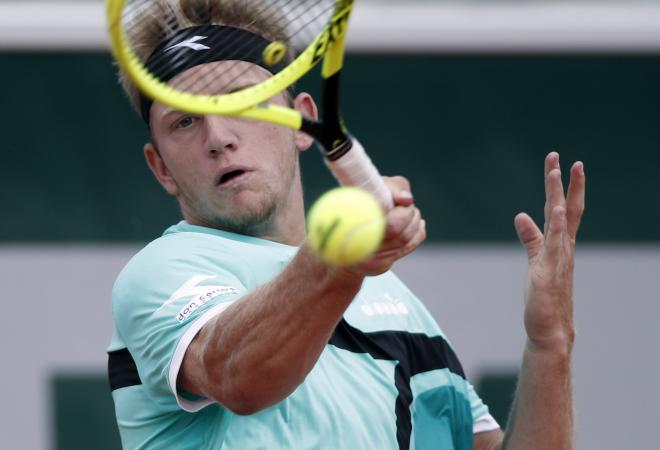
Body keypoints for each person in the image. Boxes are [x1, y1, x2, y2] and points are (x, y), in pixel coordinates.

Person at [107, 1, 586, 449]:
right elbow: (239, 377)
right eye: (186, 122)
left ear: (302, 122)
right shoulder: (160, 274)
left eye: (241, 99)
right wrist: (338, 258)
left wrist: (550, 346)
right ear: (161, 168)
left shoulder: (400, 306)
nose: (219, 137)